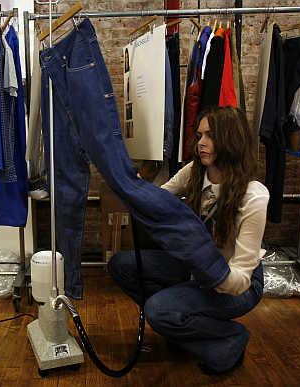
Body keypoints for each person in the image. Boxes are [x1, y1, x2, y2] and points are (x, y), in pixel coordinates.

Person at [108, 107, 269, 375]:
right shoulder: (194, 171)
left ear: (231, 139)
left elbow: (240, 279)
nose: (201, 143)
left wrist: (206, 266)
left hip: (236, 283)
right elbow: (157, 201)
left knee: (158, 309)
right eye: (199, 136)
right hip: (194, 268)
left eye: (210, 136)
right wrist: (134, 187)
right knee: (121, 265)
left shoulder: (253, 197)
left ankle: (229, 337)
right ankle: (181, 325)